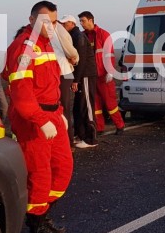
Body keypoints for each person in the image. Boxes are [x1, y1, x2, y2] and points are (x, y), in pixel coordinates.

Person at [4, 1, 73, 233]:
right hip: (33, 120)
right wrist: (41, 119)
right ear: (32, 20)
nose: (51, 27)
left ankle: (42, 214)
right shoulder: (24, 47)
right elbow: (21, 91)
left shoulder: (47, 44)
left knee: (63, 168)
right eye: (46, 22)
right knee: (39, 173)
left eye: (54, 22)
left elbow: (51, 84)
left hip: (51, 115)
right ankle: (36, 225)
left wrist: (58, 112)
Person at [78, 11, 125, 135]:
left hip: (103, 76)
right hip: (91, 76)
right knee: (95, 104)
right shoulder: (82, 36)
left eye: (83, 21)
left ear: (91, 20)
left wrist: (110, 71)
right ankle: (99, 128)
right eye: (80, 21)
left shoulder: (103, 34)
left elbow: (110, 54)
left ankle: (120, 125)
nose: (81, 23)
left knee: (110, 103)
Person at [62, 14, 98, 149]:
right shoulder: (73, 36)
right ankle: (81, 135)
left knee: (87, 106)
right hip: (81, 76)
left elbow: (81, 61)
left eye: (65, 23)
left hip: (86, 75)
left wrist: (76, 80)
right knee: (79, 106)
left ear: (72, 24)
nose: (63, 26)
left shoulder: (78, 37)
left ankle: (91, 139)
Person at [53, 18, 79, 145]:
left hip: (63, 72)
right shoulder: (54, 28)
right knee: (61, 106)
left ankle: (68, 140)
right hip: (61, 72)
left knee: (64, 107)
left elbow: (70, 50)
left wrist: (75, 58)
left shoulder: (57, 28)